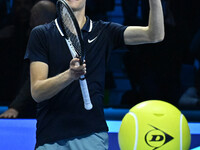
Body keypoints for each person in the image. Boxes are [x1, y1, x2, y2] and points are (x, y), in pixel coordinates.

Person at [25, 0, 164, 149]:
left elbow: (154, 35)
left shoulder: (104, 31)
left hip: (92, 137)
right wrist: (69, 75)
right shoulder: (41, 34)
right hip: (51, 138)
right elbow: (37, 92)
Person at [0, 0, 57, 118]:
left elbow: (32, 78)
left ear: (35, 16)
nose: (30, 21)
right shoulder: (53, 38)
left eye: (32, 16)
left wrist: (16, 106)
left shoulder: (44, 41)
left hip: (41, 108)